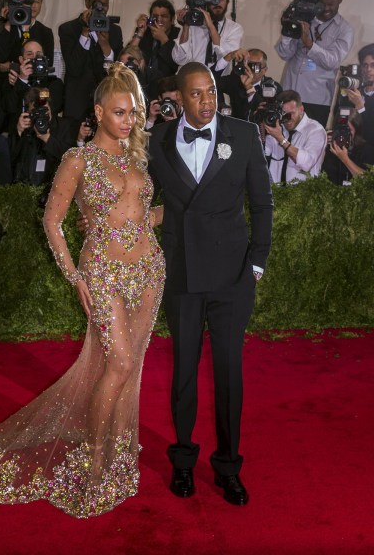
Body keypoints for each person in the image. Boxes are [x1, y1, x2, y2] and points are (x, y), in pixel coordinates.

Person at [0, 63, 165, 518]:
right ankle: (97, 455)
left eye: (132, 113)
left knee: (131, 365)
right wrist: (75, 276)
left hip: (150, 271)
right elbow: (51, 221)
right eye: (119, 113)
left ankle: (116, 449)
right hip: (104, 274)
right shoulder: (77, 159)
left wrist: (165, 214)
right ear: (98, 112)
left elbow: (143, 215)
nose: (128, 121)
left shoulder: (136, 159)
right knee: (116, 363)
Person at [147, 61, 273, 506]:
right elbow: (142, 199)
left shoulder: (242, 133)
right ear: (179, 97)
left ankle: (227, 466)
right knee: (183, 373)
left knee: (228, 374)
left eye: (211, 92)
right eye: (196, 94)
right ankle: (183, 462)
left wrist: (256, 262)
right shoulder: (158, 141)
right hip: (181, 274)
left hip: (231, 276)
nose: (206, 102)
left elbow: (262, 202)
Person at [276, 0, 354, 126]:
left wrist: (309, 44)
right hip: (289, 94)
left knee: (311, 145)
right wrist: (288, 30)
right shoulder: (304, 18)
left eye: (331, 4)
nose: (326, 8)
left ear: (340, 1)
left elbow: (332, 61)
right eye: (322, 3)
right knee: (282, 141)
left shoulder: (344, 29)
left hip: (317, 100)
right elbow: (285, 54)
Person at [58, 0, 124, 122]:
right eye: (96, 4)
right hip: (77, 104)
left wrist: (105, 46)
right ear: (87, 3)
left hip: (105, 101)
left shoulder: (115, 31)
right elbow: (74, 68)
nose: (101, 8)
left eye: (104, 5)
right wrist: (84, 33)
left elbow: (117, 70)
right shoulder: (68, 29)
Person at [171, 0, 243, 76]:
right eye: (213, 0)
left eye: (221, 0)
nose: (217, 4)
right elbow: (179, 58)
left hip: (217, 82)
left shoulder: (234, 28)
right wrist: (186, 26)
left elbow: (226, 55)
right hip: (191, 79)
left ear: (227, 2)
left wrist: (210, 26)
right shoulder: (193, 24)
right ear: (205, 1)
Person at [260, 89, 327, 184]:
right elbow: (262, 155)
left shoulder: (315, 130)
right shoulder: (278, 127)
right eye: (284, 114)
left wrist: (281, 139)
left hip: (303, 194)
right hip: (276, 192)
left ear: (301, 109)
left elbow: (307, 164)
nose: (288, 118)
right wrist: (262, 126)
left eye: (292, 113)